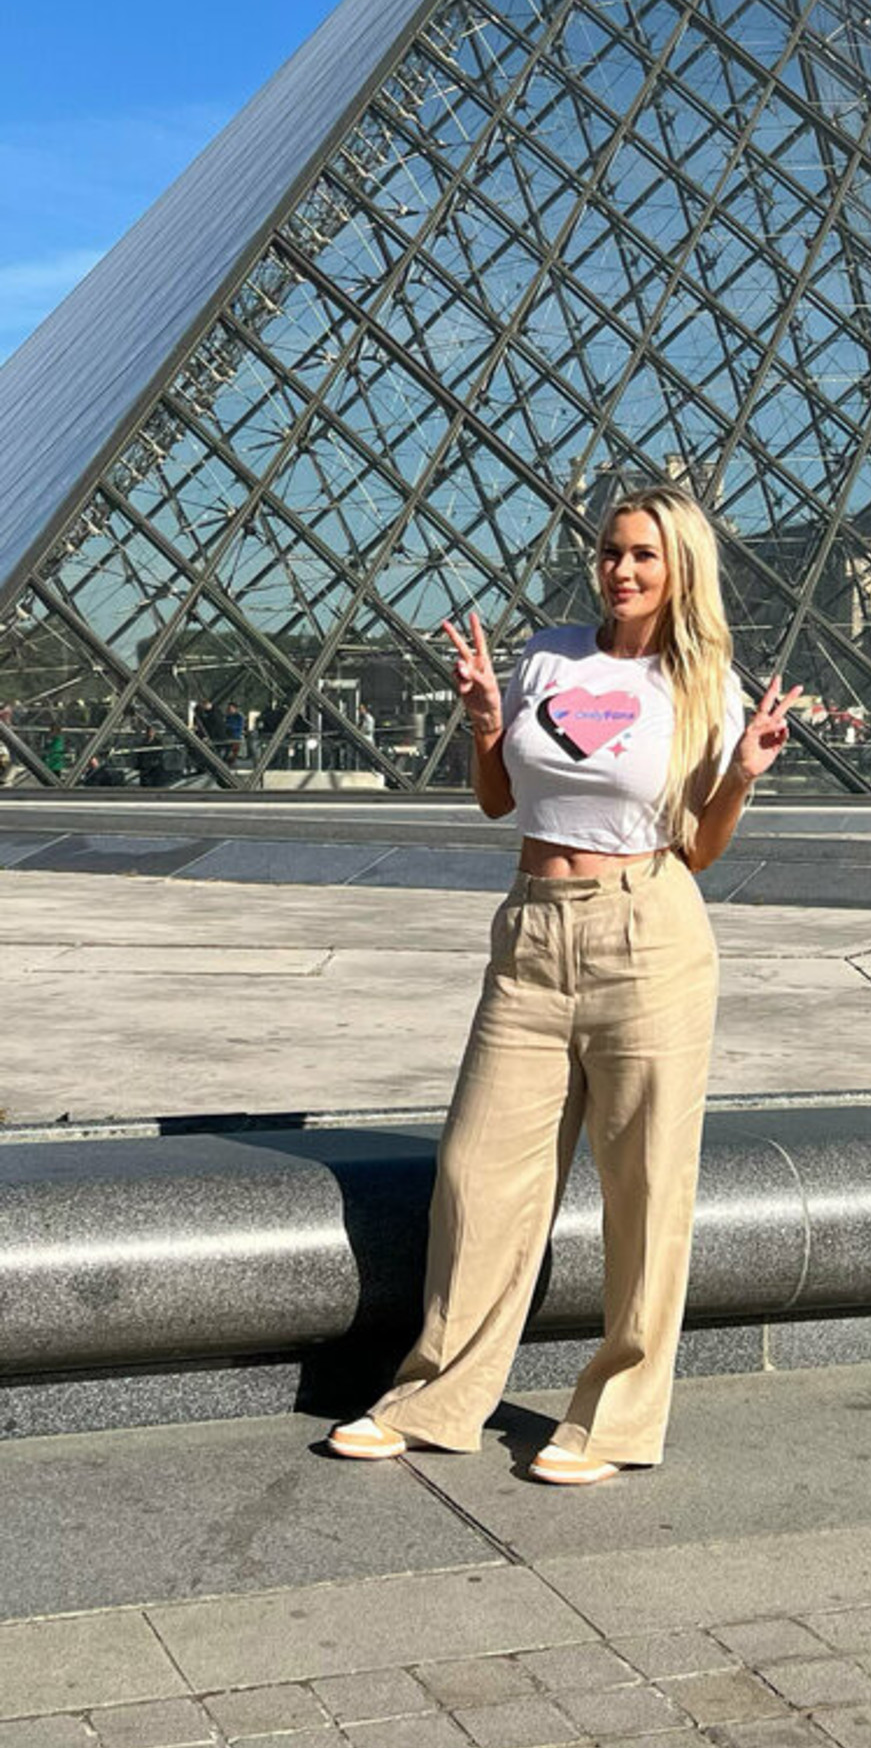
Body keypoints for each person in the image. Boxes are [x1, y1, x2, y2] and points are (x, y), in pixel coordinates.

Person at [326, 485, 801, 1486]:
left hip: (648, 934)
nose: (620, 570)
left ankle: (615, 1422)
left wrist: (742, 773)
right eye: (611, 551)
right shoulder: (547, 656)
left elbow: (701, 848)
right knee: (475, 1172)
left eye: (643, 555)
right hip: (531, 933)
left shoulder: (706, 684)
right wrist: (484, 722)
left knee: (646, 1190)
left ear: (680, 569)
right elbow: (499, 800)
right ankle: (436, 1396)